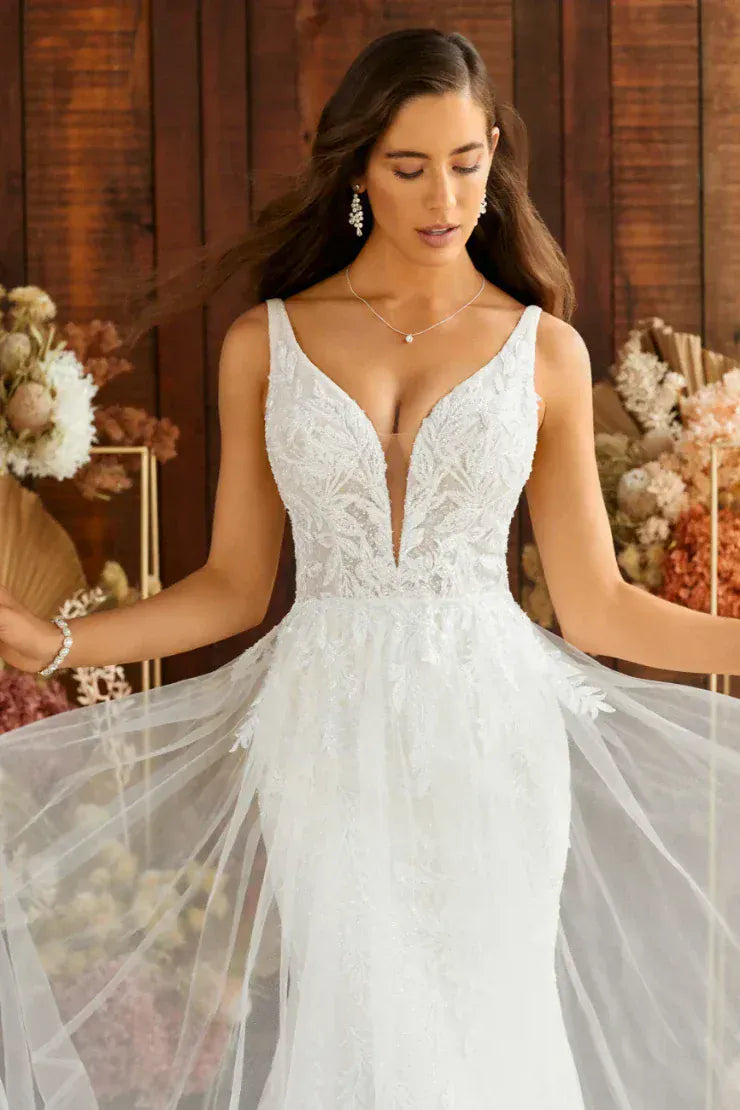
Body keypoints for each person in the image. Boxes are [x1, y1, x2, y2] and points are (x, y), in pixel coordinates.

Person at [0, 26, 738, 1110]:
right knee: (357, 1015)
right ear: (355, 168)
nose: (443, 196)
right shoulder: (266, 340)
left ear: (494, 152)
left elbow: (597, 607)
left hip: (493, 733)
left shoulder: (545, 352)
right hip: (323, 727)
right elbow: (234, 587)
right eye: (407, 167)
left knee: (490, 1014)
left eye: (466, 162)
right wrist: (56, 642)